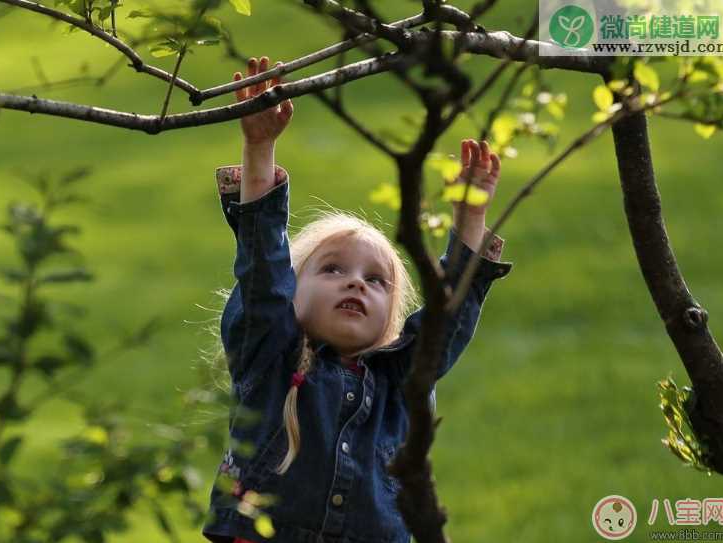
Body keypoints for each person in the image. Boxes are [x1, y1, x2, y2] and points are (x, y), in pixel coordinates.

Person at [202, 55, 514, 543]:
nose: (356, 284)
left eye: (376, 281)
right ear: (293, 292)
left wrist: (470, 217)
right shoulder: (271, 358)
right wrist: (258, 149)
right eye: (332, 270)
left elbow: (444, 322)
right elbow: (262, 270)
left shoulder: (399, 381)